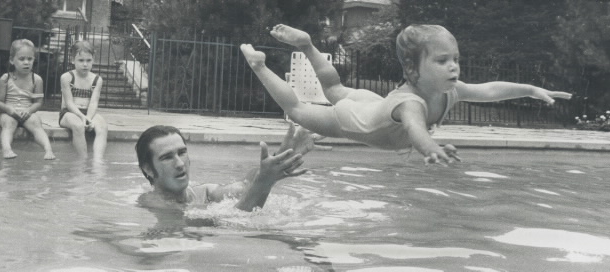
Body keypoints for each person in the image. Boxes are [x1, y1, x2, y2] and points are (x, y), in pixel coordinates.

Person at [241, 24, 572, 165]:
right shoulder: (411, 102)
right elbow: (415, 129)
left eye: (455, 59)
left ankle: (308, 44)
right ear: (414, 71)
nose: (453, 67)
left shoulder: (450, 91)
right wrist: (432, 149)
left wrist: (530, 88)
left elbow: (489, 90)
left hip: (376, 106)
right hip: (356, 120)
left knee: (335, 89)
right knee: (299, 109)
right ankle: (260, 66)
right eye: (442, 61)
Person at [135, 123, 314, 211]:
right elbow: (233, 222)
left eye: (182, 152)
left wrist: (281, 157)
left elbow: (245, 186)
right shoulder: (153, 204)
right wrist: (266, 181)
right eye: (167, 157)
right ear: (148, 169)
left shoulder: (203, 192)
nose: (180, 163)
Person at [0, 39, 55, 160]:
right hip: (8, 112)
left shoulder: (36, 80)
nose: (26, 62)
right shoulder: (6, 79)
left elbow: (38, 103)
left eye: (30, 59)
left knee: (36, 124)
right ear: (12, 60)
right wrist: (9, 109)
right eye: (22, 59)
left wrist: (29, 110)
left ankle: (48, 150)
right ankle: (7, 149)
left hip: (27, 111)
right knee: (9, 124)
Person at [59, 41, 108, 161]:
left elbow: (93, 102)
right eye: (81, 61)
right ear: (73, 60)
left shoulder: (97, 79)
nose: (85, 64)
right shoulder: (67, 77)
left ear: (93, 60)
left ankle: (98, 161)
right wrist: (82, 117)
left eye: (88, 60)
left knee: (102, 126)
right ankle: (83, 160)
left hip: (89, 113)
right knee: (78, 125)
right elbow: (69, 103)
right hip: (69, 113)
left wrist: (89, 118)